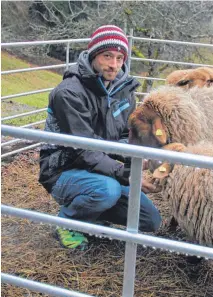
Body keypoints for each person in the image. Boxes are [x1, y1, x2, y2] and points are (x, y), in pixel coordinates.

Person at [39, 24, 162, 250]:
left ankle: (91, 211)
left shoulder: (124, 91)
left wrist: (142, 160)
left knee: (149, 220)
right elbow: (83, 149)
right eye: (107, 56)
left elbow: (127, 136)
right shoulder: (69, 93)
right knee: (107, 190)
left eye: (119, 57)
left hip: (101, 168)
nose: (113, 64)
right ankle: (67, 222)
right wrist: (126, 175)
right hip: (63, 169)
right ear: (94, 54)